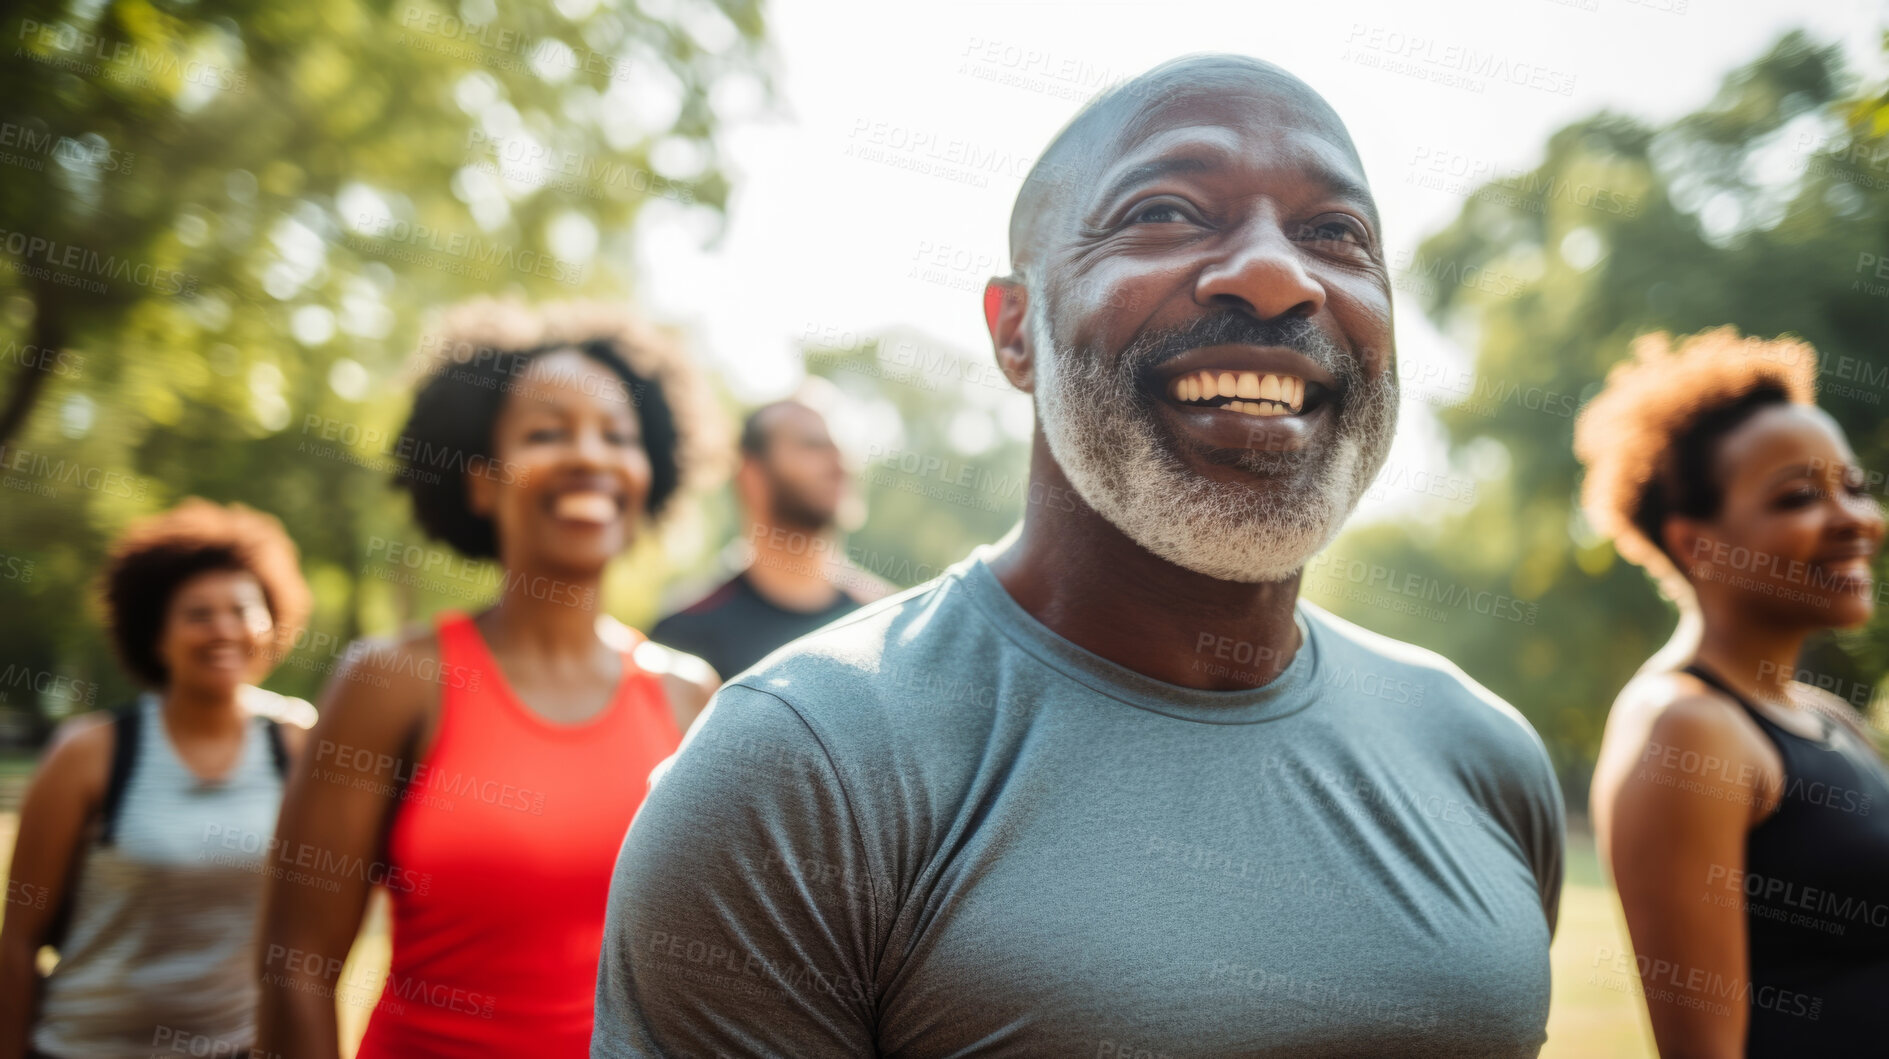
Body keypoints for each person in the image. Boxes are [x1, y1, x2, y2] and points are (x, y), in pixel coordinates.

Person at [594, 54, 1564, 1056]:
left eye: (1336, 234)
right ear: (1014, 330)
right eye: (1167, 211)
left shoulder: (1481, 756)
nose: (1278, 275)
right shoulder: (798, 769)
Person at [254, 301, 720, 1058]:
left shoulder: (687, 693)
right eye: (546, 433)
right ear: (479, 482)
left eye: (617, 435)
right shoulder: (392, 682)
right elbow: (296, 969)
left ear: (649, 471)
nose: (590, 457)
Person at [1579, 328, 1889, 1056]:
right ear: (1696, 544)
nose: (1853, 520)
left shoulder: (1827, 717)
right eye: (1798, 497)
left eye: (1853, 486)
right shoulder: (1685, 727)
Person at [0, 499, 313, 1059]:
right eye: (198, 615)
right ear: (155, 635)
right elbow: (20, 940)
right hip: (85, 1048)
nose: (224, 630)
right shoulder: (91, 752)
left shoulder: (296, 741)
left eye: (243, 609)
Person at [651, 398, 890, 680]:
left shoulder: (889, 622)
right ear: (751, 475)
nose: (839, 463)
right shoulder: (684, 635)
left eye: (841, 448)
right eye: (813, 445)